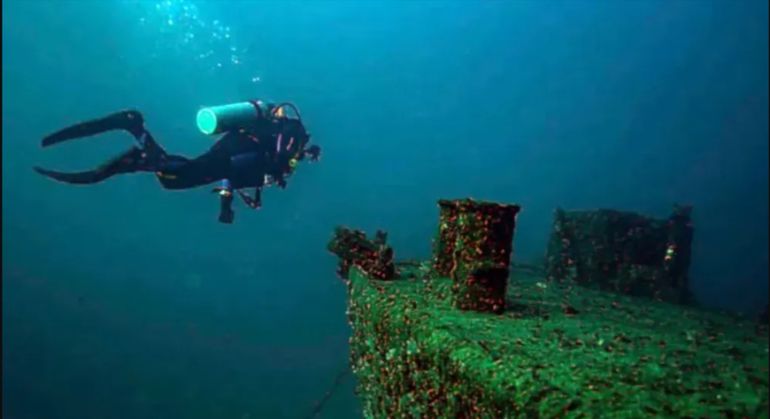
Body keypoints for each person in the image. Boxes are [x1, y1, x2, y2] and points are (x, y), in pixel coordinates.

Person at [34, 100, 321, 223]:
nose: (298, 160)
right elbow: (240, 167)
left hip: (231, 155)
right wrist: (287, 161)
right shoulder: (287, 139)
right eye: (302, 155)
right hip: (233, 153)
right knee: (180, 176)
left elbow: (232, 174)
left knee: (181, 176)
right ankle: (135, 131)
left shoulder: (276, 151)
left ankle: (141, 151)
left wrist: (225, 204)